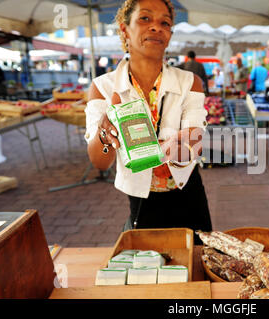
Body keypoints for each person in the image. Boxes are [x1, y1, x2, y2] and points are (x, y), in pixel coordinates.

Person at [85, 0, 212, 244]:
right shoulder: (103, 88)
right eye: (145, 19)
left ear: (170, 34)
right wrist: (104, 135)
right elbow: (100, 162)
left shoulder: (189, 82)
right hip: (142, 200)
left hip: (189, 193)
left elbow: (195, 145)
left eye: (165, 22)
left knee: (198, 267)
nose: (156, 27)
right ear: (124, 30)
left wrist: (180, 147)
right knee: (147, 273)